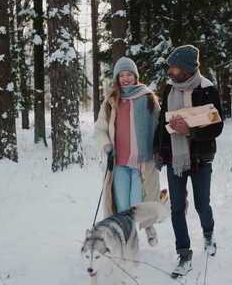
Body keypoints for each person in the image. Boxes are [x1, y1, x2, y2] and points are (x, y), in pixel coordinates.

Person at [154, 45, 224, 277]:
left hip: (201, 158)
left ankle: (208, 232)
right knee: (176, 208)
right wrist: (158, 150)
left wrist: (190, 131)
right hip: (176, 158)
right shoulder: (169, 90)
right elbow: (162, 125)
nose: (170, 72)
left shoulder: (207, 88)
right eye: (170, 67)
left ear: (186, 68)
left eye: (174, 68)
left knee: (201, 204)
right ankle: (184, 255)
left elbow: (217, 126)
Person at [95, 56, 162, 246]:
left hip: (142, 163)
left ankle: (148, 227)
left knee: (137, 206)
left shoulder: (148, 97)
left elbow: (159, 126)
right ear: (117, 78)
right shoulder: (111, 101)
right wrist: (107, 147)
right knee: (122, 207)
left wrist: (161, 150)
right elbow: (100, 129)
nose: (125, 78)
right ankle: (128, 243)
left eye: (129, 74)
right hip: (119, 163)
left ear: (135, 76)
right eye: (121, 75)